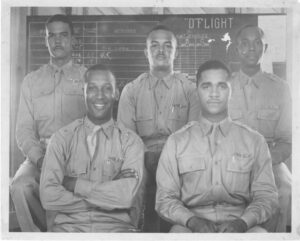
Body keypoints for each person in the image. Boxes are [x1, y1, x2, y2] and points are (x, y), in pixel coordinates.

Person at [155, 60, 279, 233]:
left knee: (260, 235)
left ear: (231, 90)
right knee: (177, 234)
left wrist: (242, 223)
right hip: (190, 226)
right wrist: (192, 221)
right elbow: (164, 199)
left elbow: (266, 196)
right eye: (206, 86)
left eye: (221, 86)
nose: (214, 93)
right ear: (197, 90)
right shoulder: (176, 142)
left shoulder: (254, 141)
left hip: (241, 223)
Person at [39, 64, 144, 232]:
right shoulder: (61, 139)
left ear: (116, 93)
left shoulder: (131, 142)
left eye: (107, 88)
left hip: (117, 229)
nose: (100, 96)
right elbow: (48, 196)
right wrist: (107, 195)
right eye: (93, 88)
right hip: (68, 229)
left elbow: (126, 197)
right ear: (84, 92)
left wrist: (74, 185)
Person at [117, 25, 201, 232]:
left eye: (167, 46)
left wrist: (168, 159)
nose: (161, 51)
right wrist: (145, 157)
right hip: (141, 158)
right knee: (133, 178)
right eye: (154, 46)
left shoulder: (190, 90)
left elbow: (194, 136)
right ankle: (131, 231)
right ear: (146, 52)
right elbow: (125, 138)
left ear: (176, 52)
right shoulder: (131, 90)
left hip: (180, 159)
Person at [10, 14, 87, 232]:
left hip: (76, 157)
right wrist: (39, 158)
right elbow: (23, 130)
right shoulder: (31, 81)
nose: (57, 41)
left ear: (73, 39)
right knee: (20, 187)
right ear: (46, 40)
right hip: (40, 156)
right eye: (51, 36)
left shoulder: (88, 77)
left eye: (63, 35)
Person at [228, 25, 291, 232]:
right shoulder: (223, 85)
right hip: (229, 161)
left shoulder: (280, 88)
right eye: (245, 43)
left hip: (270, 160)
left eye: (257, 43)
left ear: (266, 48)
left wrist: (263, 161)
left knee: (285, 188)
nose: (251, 48)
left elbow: (286, 140)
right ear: (237, 49)